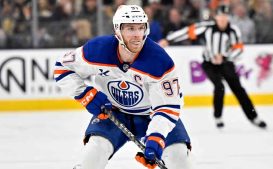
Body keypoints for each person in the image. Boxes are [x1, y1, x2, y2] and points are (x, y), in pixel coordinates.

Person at [54, 5, 192, 169]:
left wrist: (157, 135)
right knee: (92, 155)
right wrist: (84, 94)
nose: (137, 35)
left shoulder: (160, 61)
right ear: (118, 31)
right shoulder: (98, 50)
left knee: (179, 158)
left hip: (151, 115)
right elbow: (62, 67)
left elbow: (168, 106)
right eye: (130, 28)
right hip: (113, 113)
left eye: (141, 28)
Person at [161, 4, 267, 129]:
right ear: (216, 17)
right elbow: (187, 32)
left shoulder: (233, 31)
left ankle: (254, 117)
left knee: (238, 89)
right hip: (209, 64)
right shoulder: (207, 28)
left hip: (226, 63)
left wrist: (224, 56)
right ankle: (218, 117)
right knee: (219, 86)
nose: (222, 19)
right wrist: (168, 40)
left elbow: (239, 49)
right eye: (220, 16)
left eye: (225, 17)